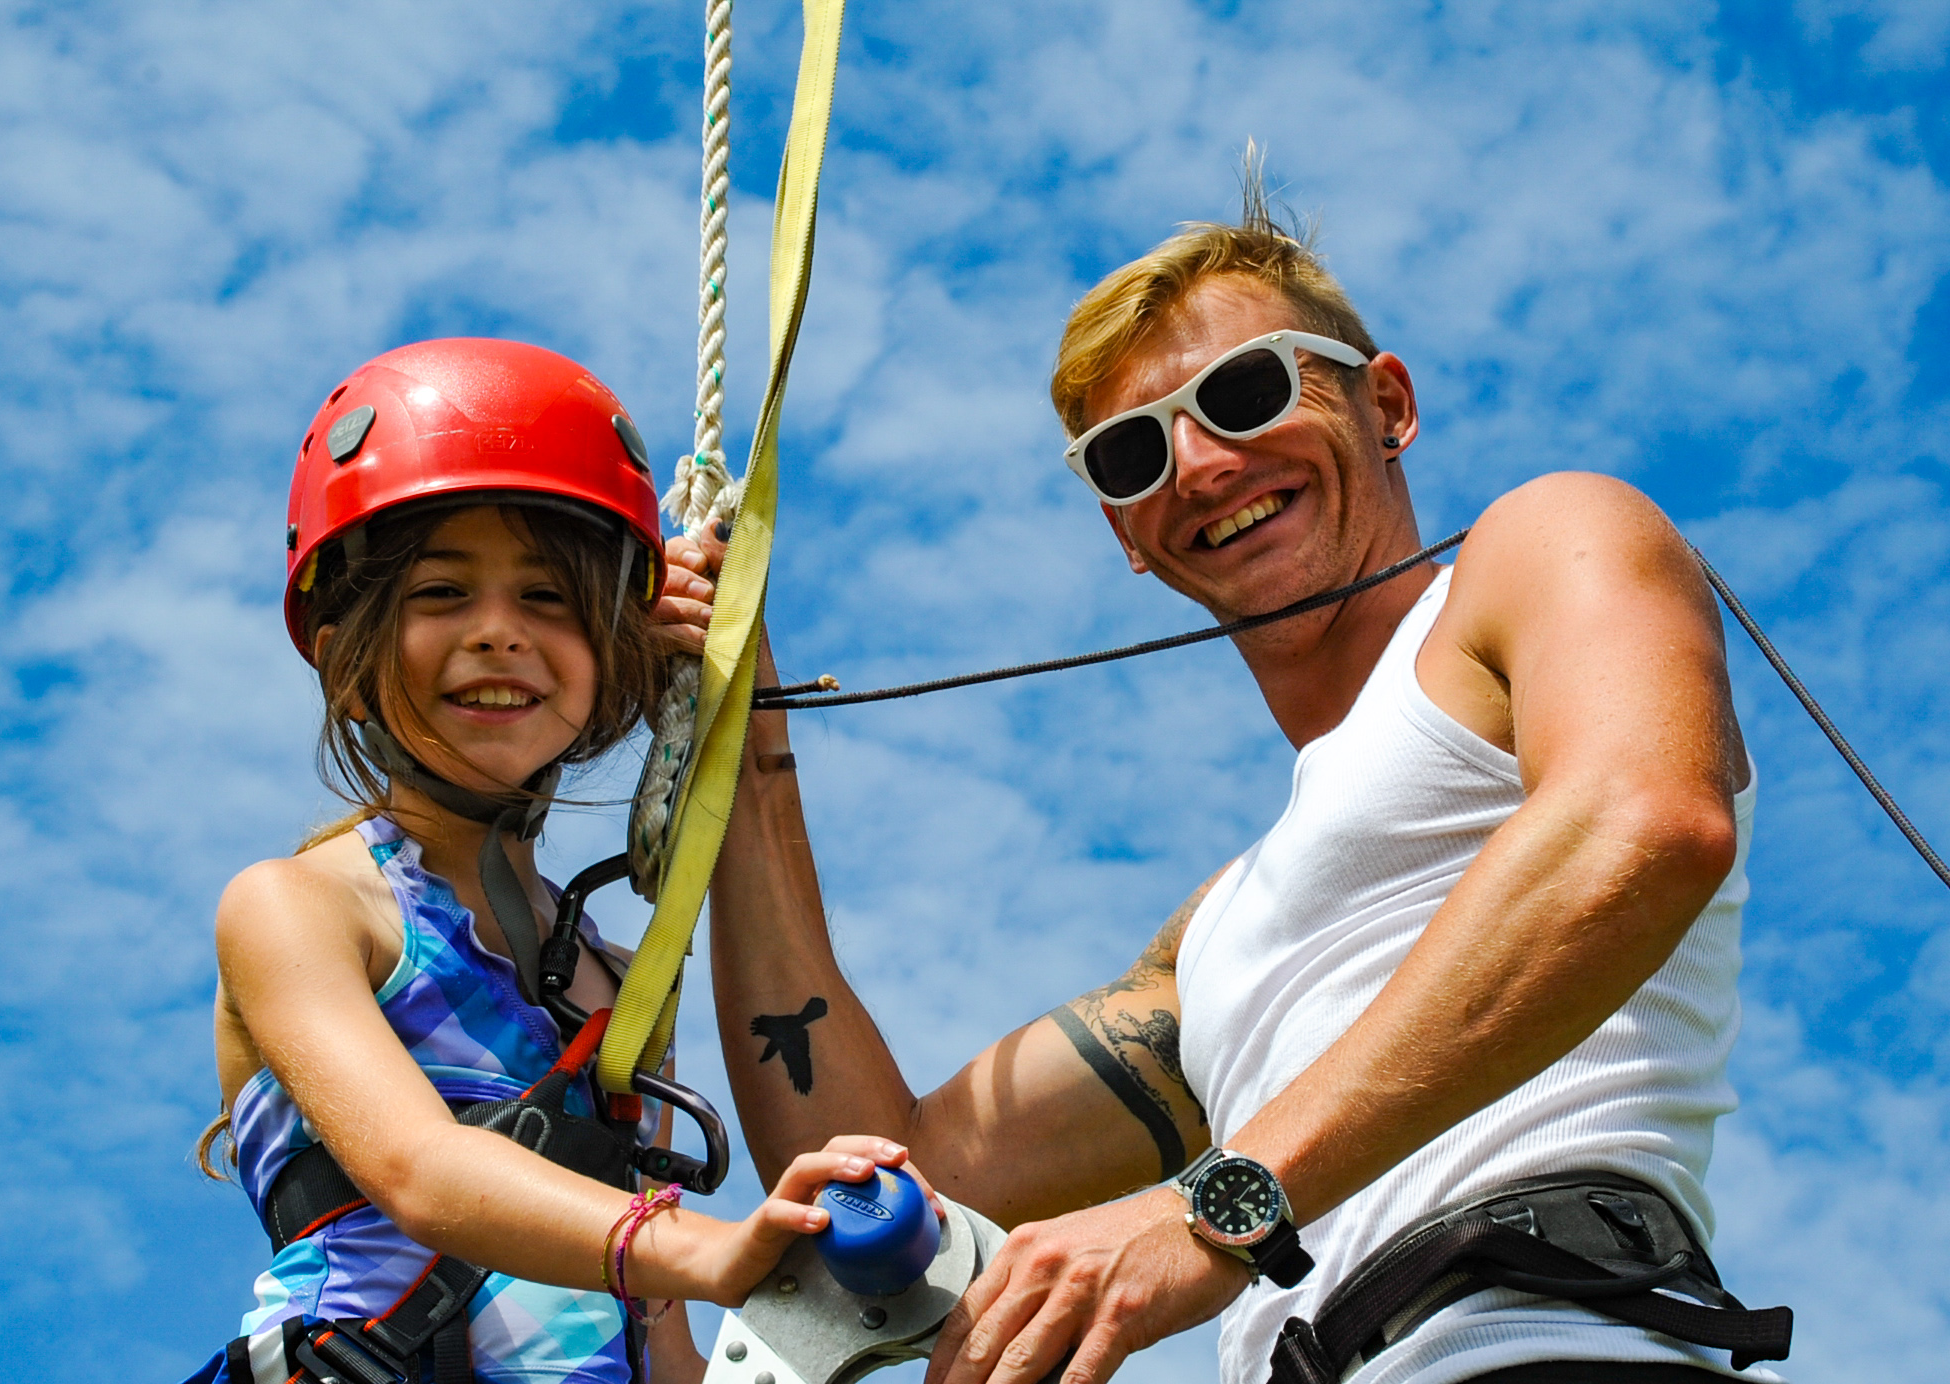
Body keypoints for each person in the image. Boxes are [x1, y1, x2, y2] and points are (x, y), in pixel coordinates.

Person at [693, 200, 1789, 1383]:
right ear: (1126, 531)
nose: (1204, 464)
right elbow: (875, 1173)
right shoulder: (1215, 940)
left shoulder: (1537, 545)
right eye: (1134, 453)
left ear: (1387, 405)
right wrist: (738, 743)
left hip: (1546, 1340)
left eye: (1246, 391)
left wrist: (1213, 1208)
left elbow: (1639, 822)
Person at [182, 338, 912, 1384]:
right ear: (345, 659)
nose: (497, 633)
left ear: (612, 653)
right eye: (442, 593)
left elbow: (655, 1339)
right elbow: (421, 1169)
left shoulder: (619, 990)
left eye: (548, 599)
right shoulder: (299, 908)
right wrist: (711, 1248)